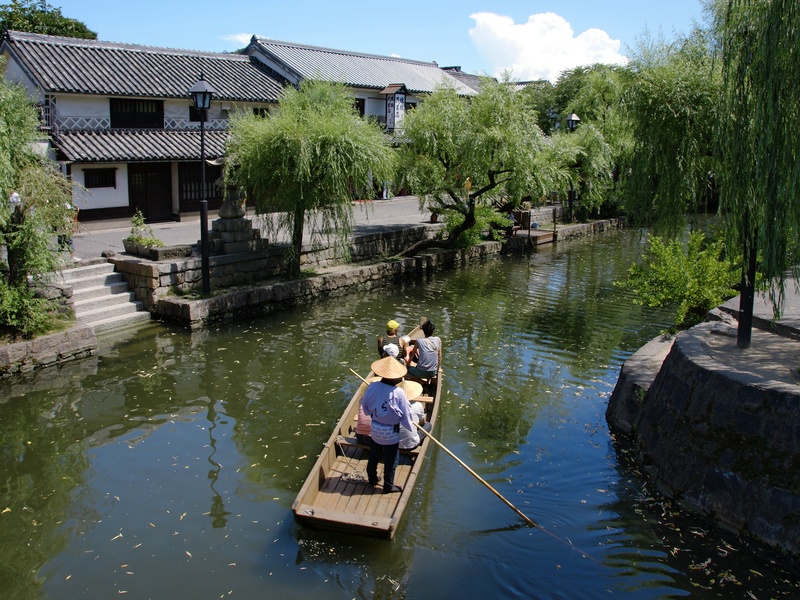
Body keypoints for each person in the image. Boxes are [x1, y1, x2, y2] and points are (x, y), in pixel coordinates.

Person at [361, 356, 414, 493]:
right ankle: (388, 485)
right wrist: (409, 424)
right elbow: (407, 413)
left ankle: (372, 479)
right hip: (391, 432)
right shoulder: (399, 392)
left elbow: (365, 405)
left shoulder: (372, 386)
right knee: (391, 459)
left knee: (374, 455)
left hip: (375, 428)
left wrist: (373, 412)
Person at [398, 380, 428, 450]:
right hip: (411, 444)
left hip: (392, 444)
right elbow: (422, 422)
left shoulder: (392, 405)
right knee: (428, 425)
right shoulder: (418, 405)